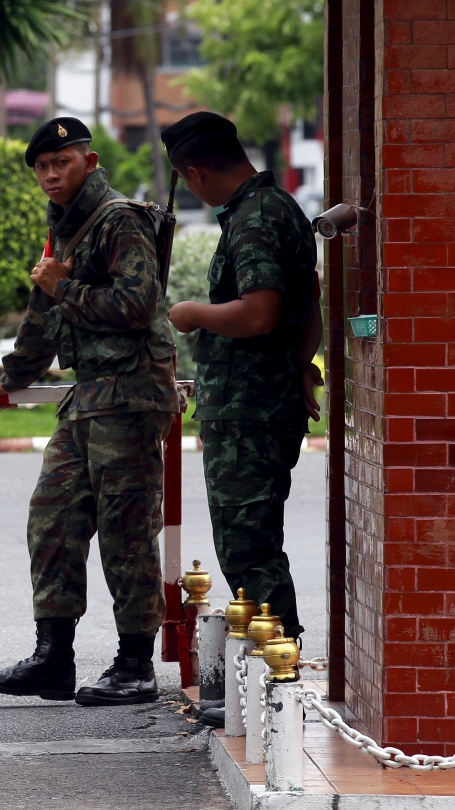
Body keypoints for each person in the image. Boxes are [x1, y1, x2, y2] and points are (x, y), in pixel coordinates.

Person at [0, 117, 180, 707]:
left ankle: (135, 665)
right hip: (88, 398)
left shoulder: (120, 221)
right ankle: (52, 658)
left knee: (125, 529)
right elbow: (43, 318)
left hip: (131, 395)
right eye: (41, 166)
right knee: (52, 518)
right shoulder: (62, 227)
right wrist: (14, 376)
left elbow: (139, 304)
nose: (49, 175)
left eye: (60, 163)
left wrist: (64, 287)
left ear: (89, 163)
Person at [162, 111, 321, 648]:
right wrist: (301, 362)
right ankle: (276, 659)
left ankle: (280, 661)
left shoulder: (254, 216)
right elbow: (311, 297)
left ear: (196, 173)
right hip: (261, 401)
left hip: (250, 409)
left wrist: (192, 314)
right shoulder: (278, 207)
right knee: (253, 539)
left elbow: (259, 313)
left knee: (246, 545)